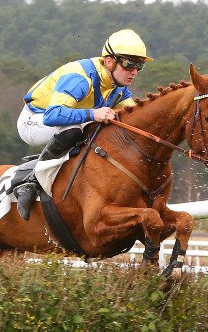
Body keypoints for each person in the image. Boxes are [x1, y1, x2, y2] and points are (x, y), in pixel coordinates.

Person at [13, 28, 153, 220]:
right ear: (110, 61)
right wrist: (92, 113)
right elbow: (52, 116)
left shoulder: (118, 86)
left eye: (139, 66)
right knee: (78, 127)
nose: (134, 72)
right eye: (129, 64)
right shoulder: (79, 78)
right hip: (34, 120)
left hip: (58, 120)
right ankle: (30, 181)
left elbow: (135, 118)